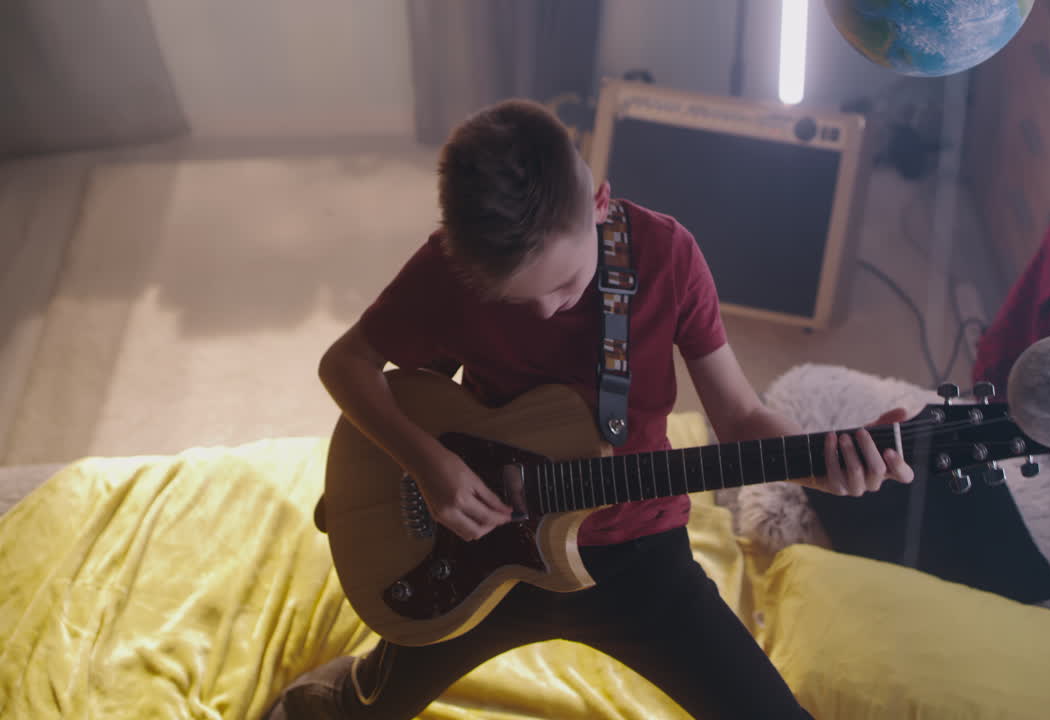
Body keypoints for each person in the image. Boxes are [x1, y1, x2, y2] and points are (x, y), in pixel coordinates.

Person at [266, 99, 913, 719]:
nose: (546, 311)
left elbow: (741, 420)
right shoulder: (449, 267)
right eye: (517, 301)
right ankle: (356, 682)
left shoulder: (668, 257)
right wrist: (428, 463)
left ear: (600, 206)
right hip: (480, 550)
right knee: (356, 711)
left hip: (639, 555)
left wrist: (821, 467)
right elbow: (343, 364)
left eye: (564, 286)